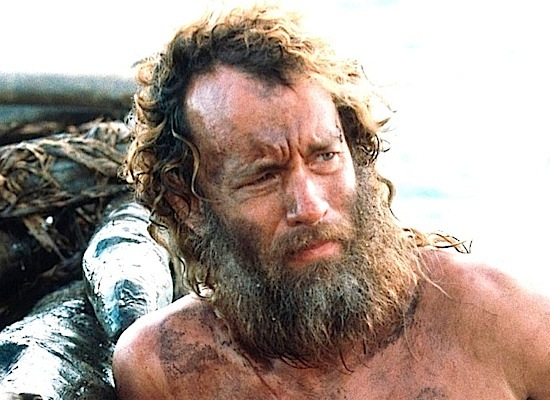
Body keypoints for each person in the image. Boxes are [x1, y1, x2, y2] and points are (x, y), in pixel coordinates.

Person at [112, 3, 550, 399]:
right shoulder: (167, 370)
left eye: (324, 157)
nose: (310, 206)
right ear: (187, 202)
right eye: (264, 176)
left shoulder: (502, 321)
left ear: (355, 152)